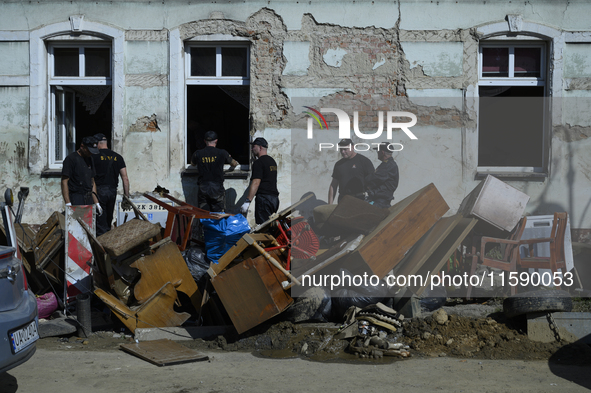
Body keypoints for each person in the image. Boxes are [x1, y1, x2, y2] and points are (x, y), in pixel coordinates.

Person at [190, 130, 239, 212]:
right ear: (216, 141)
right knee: (218, 215)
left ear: (205, 141)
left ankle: (204, 225)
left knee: (204, 214)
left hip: (203, 188)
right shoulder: (222, 153)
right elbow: (233, 164)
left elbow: (192, 164)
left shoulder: (198, 153)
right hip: (217, 188)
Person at [92, 133, 130, 236]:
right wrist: (126, 197)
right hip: (112, 192)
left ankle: (100, 248)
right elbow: (125, 178)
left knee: (99, 222)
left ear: (97, 144)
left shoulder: (93, 157)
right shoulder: (118, 157)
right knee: (108, 220)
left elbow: (89, 177)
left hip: (98, 192)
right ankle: (107, 242)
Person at [240, 137, 279, 224]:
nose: (252, 149)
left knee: (264, 227)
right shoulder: (272, 161)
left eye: (254, 146)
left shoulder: (259, 163)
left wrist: (247, 202)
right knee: (271, 226)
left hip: (264, 200)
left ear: (260, 147)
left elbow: (256, 183)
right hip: (274, 199)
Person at [61, 136, 101, 213]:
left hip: (88, 197)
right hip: (76, 197)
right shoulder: (71, 159)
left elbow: (92, 181)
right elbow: (64, 182)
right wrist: (68, 203)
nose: (91, 153)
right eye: (89, 150)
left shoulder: (90, 159)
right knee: (77, 222)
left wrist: (97, 203)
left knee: (88, 223)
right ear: (82, 147)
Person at [327, 139, 375, 204]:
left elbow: (373, 181)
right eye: (341, 149)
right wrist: (330, 204)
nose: (343, 152)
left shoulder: (364, 161)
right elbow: (333, 185)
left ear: (352, 147)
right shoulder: (338, 164)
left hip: (360, 200)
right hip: (343, 200)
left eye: (345, 149)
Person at [365, 142, 399, 208]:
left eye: (378, 151)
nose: (377, 152)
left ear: (382, 152)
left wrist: (366, 180)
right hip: (379, 200)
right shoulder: (388, 164)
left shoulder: (388, 165)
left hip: (380, 202)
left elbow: (373, 179)